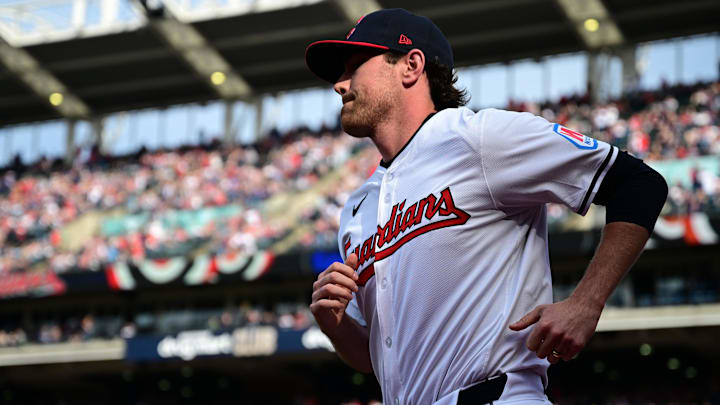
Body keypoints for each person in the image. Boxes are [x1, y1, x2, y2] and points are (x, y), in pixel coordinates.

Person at [305, 8, 667, 405]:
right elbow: (376, 360)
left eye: (355, 66)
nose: (339, 84)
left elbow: (639, 183)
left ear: (411, 65)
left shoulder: (479, 139)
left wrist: (586, 302)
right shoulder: (356, 209)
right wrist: (335, 326)